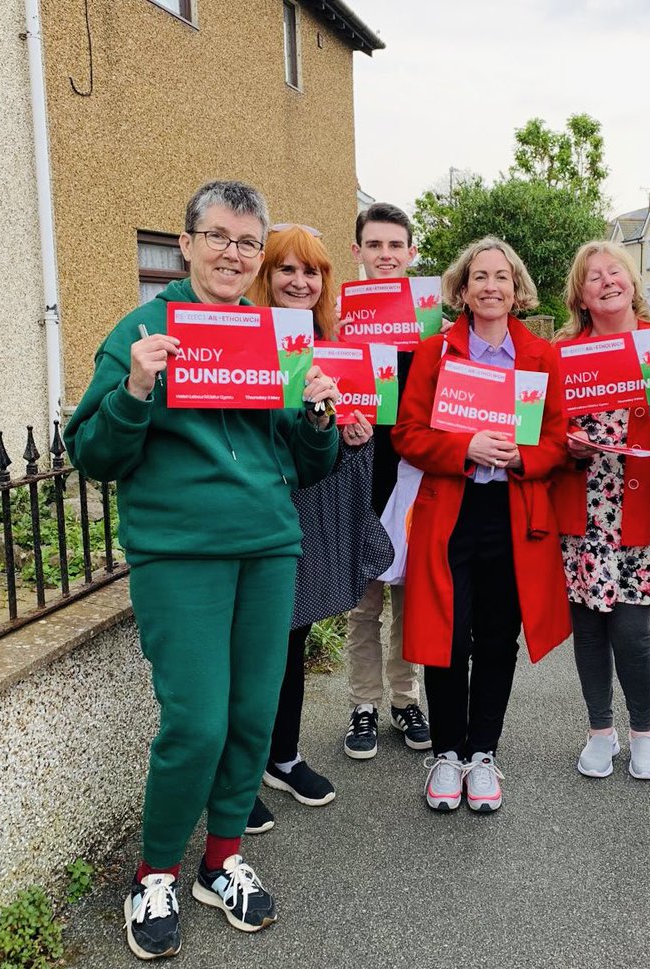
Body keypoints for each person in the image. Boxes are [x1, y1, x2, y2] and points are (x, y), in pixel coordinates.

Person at [65, 181, 340, 960]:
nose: (234, 254)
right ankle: (153, 872)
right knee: (196, 722)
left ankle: (222, 860)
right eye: (218, 237)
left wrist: (318, 414)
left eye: (248, 243)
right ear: (184, 245)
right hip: (180, 551)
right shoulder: (141, 330)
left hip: (266, 545)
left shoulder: (273, 335)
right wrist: (136, 390)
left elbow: (307, 461)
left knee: (253, 715)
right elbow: (92, 455)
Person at [392, 236, 570, 813]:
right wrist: (465, 445)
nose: (491, 287)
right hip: (450, 510)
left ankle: (482, 753)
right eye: (479, 277)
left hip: (513, 513)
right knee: (447, 635)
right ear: (462, 289)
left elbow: (558, 440)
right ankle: (446, 753)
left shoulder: (542, 357)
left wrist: (525, 457)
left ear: (517, 288)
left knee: (498, 636)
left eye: (502, 277)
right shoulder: (434, 353)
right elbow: (408, 434)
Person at [242, 224, 393, 834]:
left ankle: (282, 756)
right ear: (266, 278)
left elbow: (347, 433)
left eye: (312, 272)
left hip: (313, 505)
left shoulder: (337, 344)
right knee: (255, 649)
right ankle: (239, 776)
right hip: (260, 508)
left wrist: (355, 438)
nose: (300, 282)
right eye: (287, 271)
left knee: (294, 637)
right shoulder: (246, 340)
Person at [551, 242, 650, 781]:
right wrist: (567, 444)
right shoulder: (561, 352)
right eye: (594, 278)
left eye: (616, 273)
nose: (607, 282)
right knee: (588, 625)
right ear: (581, 297)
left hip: (637, 502)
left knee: (631, 627)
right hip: (582, 504)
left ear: (633, 282)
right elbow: (544, 426)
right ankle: (599, 731)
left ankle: (643, 731)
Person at [341, 203, 431, 760]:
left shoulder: (429, 326)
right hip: (360, 476)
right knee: (364, 605)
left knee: (409, 600)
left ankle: (405, 698)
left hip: (416, 476)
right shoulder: (339, 324)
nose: (385, 255)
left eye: (395, 246)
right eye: (374, 246)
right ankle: (363, 706)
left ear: (411, 254)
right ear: (358, 252)